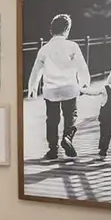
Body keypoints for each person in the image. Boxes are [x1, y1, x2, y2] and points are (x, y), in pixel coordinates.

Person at [27, 14, 91, 159]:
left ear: (51, 30)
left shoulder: (44, 49)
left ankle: (53, 149)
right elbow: (81, 66)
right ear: (67, 30)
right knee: (71, 115)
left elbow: (36, 70)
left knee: (52, 119)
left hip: (51, 90)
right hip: (69, 88)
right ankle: (67, 137)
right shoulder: (72, 46)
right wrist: (84, 83)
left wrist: (32, 87)